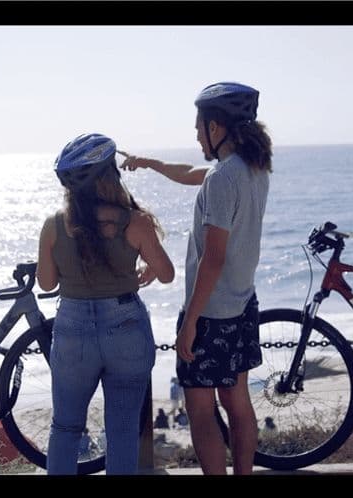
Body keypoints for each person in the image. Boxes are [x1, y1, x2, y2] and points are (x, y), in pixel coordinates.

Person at [120, 82, 272, 475]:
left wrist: (190, 323)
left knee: (201, 410)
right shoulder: (251, 169)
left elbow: (213, 258)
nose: (195, 133)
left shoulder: (222, 180)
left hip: (211, 313)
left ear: (216, 127)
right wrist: (148, 163)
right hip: (242, 303)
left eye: (198, 125)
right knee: (238, 405)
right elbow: (192, 174)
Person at [37, 133, 175, 475]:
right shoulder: (135, 222)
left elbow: (47, 283)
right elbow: (167, 273)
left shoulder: (54, 225)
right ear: (110, 175)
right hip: (125, 325)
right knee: (123, 431)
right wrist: (146, 271)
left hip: (72, 329)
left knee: (65, 428)